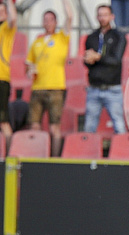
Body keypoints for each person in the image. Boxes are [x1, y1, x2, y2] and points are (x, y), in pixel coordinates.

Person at [25, 0, 74, 157]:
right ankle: (36, 155)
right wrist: (30, 70)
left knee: (55, 127)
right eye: (45, 20)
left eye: (50, 20)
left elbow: (70, 18)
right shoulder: (37, 42)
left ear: (55, 22)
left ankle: (54, 158)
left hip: (55, 87)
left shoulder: (61, 37)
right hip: (37, 88)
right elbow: (28, 63)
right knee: (34, 125)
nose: (47, 23)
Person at [83, 4, 127, 135]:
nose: (102, 18)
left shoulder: (119, 36)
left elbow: (116, 60)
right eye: (100, 15)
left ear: (112, 16)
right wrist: (89, 60)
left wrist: (97, 57)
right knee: (89, 127)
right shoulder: (91, 37)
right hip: (94, 87)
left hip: (112, 88)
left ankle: (122, 154)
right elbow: (87, 61)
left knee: (119, 125)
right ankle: (88, 154)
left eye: (105, 15)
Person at [0, 0, 17, 147]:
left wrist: (9, 2)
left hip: (1, 78)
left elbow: (13, 18)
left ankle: (8, 157)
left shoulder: (7, 28)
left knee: (3, 120)